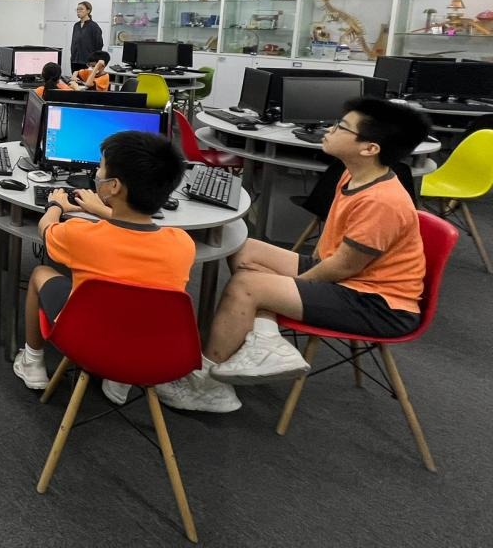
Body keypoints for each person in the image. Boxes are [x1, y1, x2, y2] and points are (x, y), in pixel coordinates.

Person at [157, 98, 431, 414]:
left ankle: (207, 388)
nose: (329, 131)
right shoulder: (354, 173)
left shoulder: (382, 202)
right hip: (348, 275)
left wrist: (287, 286)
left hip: (377, 303)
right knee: (244, 248)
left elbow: (343, 267)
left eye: (341, 127)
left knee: (247, 286)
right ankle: (265, 337)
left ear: (370, 148)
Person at [13, 131, 198, 408]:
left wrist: (55, 205)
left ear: (114, 186)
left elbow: (46, 229)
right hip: (151, 353)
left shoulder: (79, 234)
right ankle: (120, 381)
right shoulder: (182, 244)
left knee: (40, 274)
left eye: (100, 167)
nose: (96, 173)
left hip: (84, 342)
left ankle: (32, 362)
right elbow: (134, 229)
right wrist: (101, 209)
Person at [69, 1, 103, 72]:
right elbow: (74, 42)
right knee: (75, 78)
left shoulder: (94, 26)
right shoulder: (76, 25)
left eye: (81, 9)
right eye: (77, 9)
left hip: (87, 62)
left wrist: (94, 61)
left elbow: (99, 45)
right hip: (74, 61)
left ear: (88, 11)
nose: (78, 11)